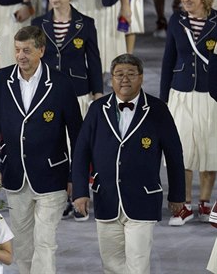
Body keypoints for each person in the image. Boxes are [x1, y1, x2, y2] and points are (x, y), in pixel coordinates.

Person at [73, 54, 186, 274]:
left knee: (138, 264)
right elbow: (81, 152)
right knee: (111, 264)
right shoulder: (97, 109)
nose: (125, 79)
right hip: (106, 199)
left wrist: (177, 195)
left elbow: (174, 155)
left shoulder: (157, 110)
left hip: (143, 199)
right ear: (111, 79)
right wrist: (79, 191)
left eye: (131, 74)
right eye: (119, 74)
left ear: (141, 77)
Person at [0, 25, 82, 274]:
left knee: (45, 241)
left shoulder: (60, 83)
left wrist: (75, 177)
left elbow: (77, 134)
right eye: (17, 50)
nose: (20, 56)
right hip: (15, 175)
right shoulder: (3, 79)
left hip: (52, 176)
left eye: (26, 50)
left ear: (41, 50)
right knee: (24, 245)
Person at [160, 0, 217, 226]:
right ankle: (183, 205)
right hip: (180, 92)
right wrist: (162, 100)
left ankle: (205, 203)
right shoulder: (176, 20)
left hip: (211, 94)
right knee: (181, 149)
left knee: (209, 148)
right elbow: (168, 61)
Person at [32, 0, 103, 116]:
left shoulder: (86, 24)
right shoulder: (38, 24)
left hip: (77, 90)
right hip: (46, 90)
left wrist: (98, 93)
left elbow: (94, 61)